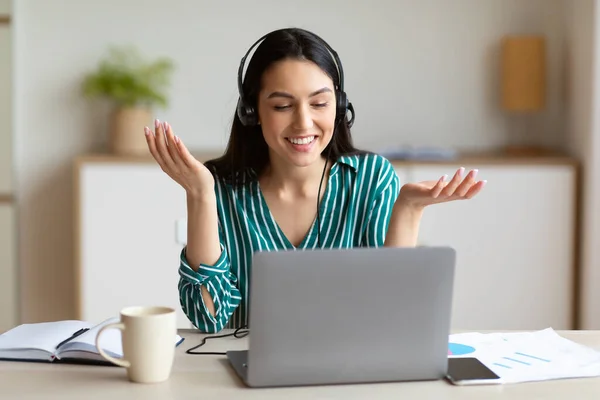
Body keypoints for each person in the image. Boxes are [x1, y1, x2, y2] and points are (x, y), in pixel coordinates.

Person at [143, 28, 486, 333]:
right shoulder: (223, 187)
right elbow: (208, 317)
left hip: (347, 377)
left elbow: (391, 313)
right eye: (282, 107)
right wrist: (200, 194)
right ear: (252, 112)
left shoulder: (371, 179)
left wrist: (407, 208)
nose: (304, 124)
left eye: (320, 103)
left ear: (339, 106)